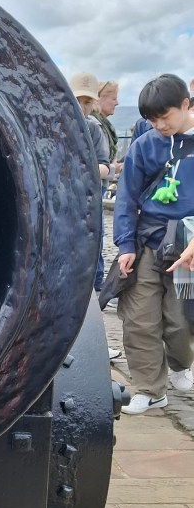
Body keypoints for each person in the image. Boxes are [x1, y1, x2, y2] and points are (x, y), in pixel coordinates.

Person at [114, 73, 194, 414]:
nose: (159, 125)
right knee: (139, 317)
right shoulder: (145, 145)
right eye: (152, 120)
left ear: (186, 105)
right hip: (149, 240)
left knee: (179, 318)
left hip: (188, 244)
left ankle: (180, 364)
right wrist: (125, 244)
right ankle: (149, 387)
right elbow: (126, 197)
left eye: (166, 117)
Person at [69, 72, 112, 294]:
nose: (81, 106)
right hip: (65, 200)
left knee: (92, 246)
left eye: (86, 102)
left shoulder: (94, 129)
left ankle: (94, 290)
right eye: (77, 100)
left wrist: (80, 170)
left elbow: (104, 166)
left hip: (88, 199)